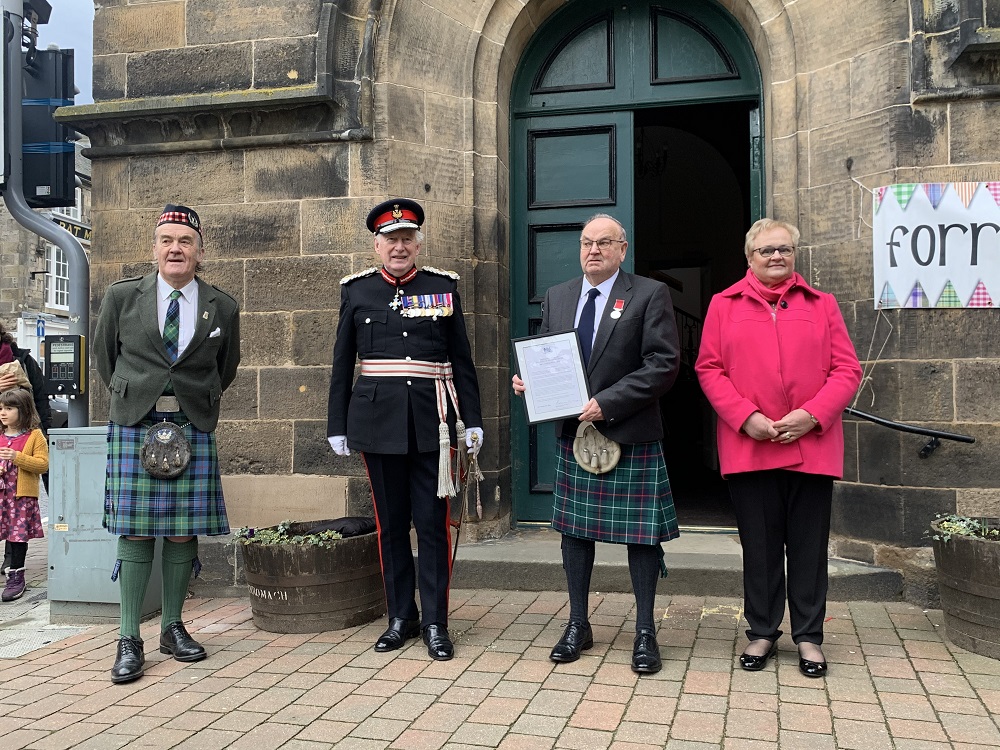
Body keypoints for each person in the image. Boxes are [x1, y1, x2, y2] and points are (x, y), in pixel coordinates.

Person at [512, 213, 681, 674]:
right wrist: (530, 381)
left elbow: (662, 364)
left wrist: (608, 403)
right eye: (587, 242)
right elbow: (549, 355)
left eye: (604, 243)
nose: (594, 251)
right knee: (575, 534)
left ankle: (644, 630)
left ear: (622, 249)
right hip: (575, 436)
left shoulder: (648, 294)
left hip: (628, 433)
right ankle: (578, 624)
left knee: (641, 539)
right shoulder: (559, 295)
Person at [695, 218, 862, 678]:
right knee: (761, 547)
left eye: (784, 249)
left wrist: (811, 416)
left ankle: (809, 636)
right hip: (751, 444)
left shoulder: (822, 304)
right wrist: (746, 418)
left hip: (811, 444)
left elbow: (846, 370)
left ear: (794, 255)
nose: (776, 257)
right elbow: (709, 368)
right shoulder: (722, 305)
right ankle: (762, 630)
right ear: (749, 257)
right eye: (766, 250)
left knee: (808, 546)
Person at [327, 198, 483, 661]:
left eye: (407, 239)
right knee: (391, 525)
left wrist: (471, 420)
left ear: (418, 243)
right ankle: (401, 617)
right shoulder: (357, 292)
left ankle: (436, 621)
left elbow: (462, 360)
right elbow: (341, 365)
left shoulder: (443, 287)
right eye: (391, 240)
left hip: (433, 422)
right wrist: (337, 424)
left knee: (433, 526)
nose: (400, 246)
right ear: (377, 246)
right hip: (377, 424)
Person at [94, 204, 241, 684]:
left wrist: (194, 399)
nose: (175, 248)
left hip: (192, 423)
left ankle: (173, 627)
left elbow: (227, 368)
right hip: (135, 422)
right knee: (135, 530)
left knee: (182, 530)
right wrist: (135, 396)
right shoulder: (122, 297)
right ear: (154, 247)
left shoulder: (223, 305)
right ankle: (129, 637)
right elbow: (104, 357)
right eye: (167, 240)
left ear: (200, 251)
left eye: (185, 241)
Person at [0, 322, 53, 576]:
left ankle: (13, 564)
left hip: (24, 435)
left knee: (18, 505)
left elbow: (41, 397)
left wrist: (45, 431)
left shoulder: (22, 359)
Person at [0, 388, 48, 601]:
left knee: (17, 536)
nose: (3, 413)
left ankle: (16, 576)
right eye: (1, 408)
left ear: (24, 410)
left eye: (9, 408)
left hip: (21, 497)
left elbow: (43, 465)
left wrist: (17, 457)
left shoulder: (35, 436)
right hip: (1, 496)